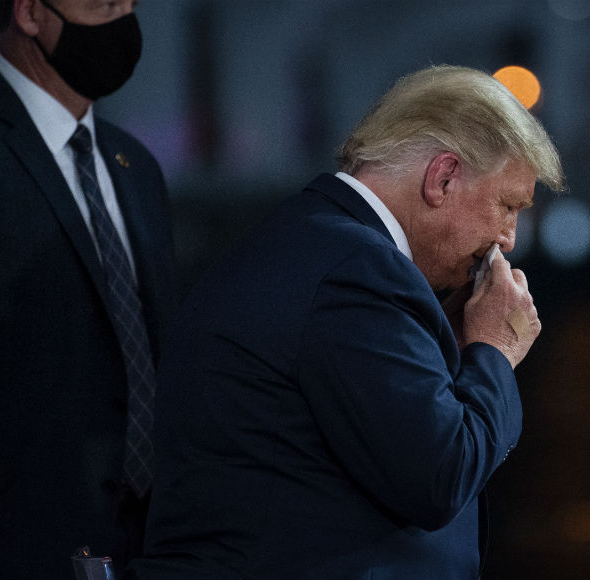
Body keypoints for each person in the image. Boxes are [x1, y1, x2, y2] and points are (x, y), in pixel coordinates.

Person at [129, 64, 564, 579]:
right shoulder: (356, 272)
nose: (509, 238)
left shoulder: (319, 242)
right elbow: (439, 476)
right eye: (507, 205)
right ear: (443, 177)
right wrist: (494, 349)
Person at [0, 0, 177, 578]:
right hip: (12, 541)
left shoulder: (136, 165)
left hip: (144, 541)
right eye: (102, 3)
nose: (124, 16)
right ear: (31, 12)